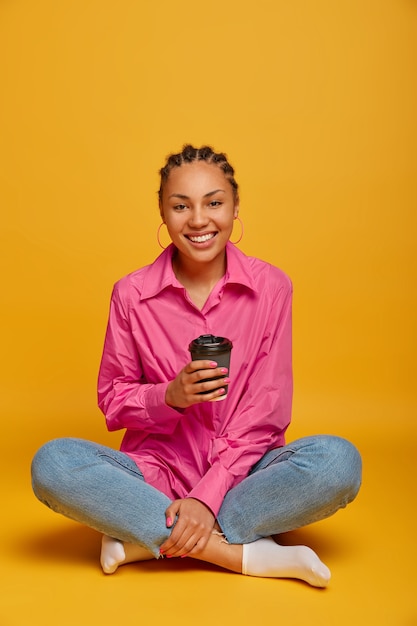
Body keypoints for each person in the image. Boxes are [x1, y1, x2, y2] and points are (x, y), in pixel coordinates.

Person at [31, 144, 362, 588]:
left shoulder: (271, 288)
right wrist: (168, 396)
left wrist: (207, 497)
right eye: (181, 206)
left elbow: (268, 411)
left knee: (338, 462)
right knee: (52, 464)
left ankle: (142, 536)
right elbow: (112, 401)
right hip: (155, 477)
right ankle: (242, 556)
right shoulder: (131, 295)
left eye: (214, 202)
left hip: (244, 476)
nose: (199, 220)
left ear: (235, 206)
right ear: (163, 214)